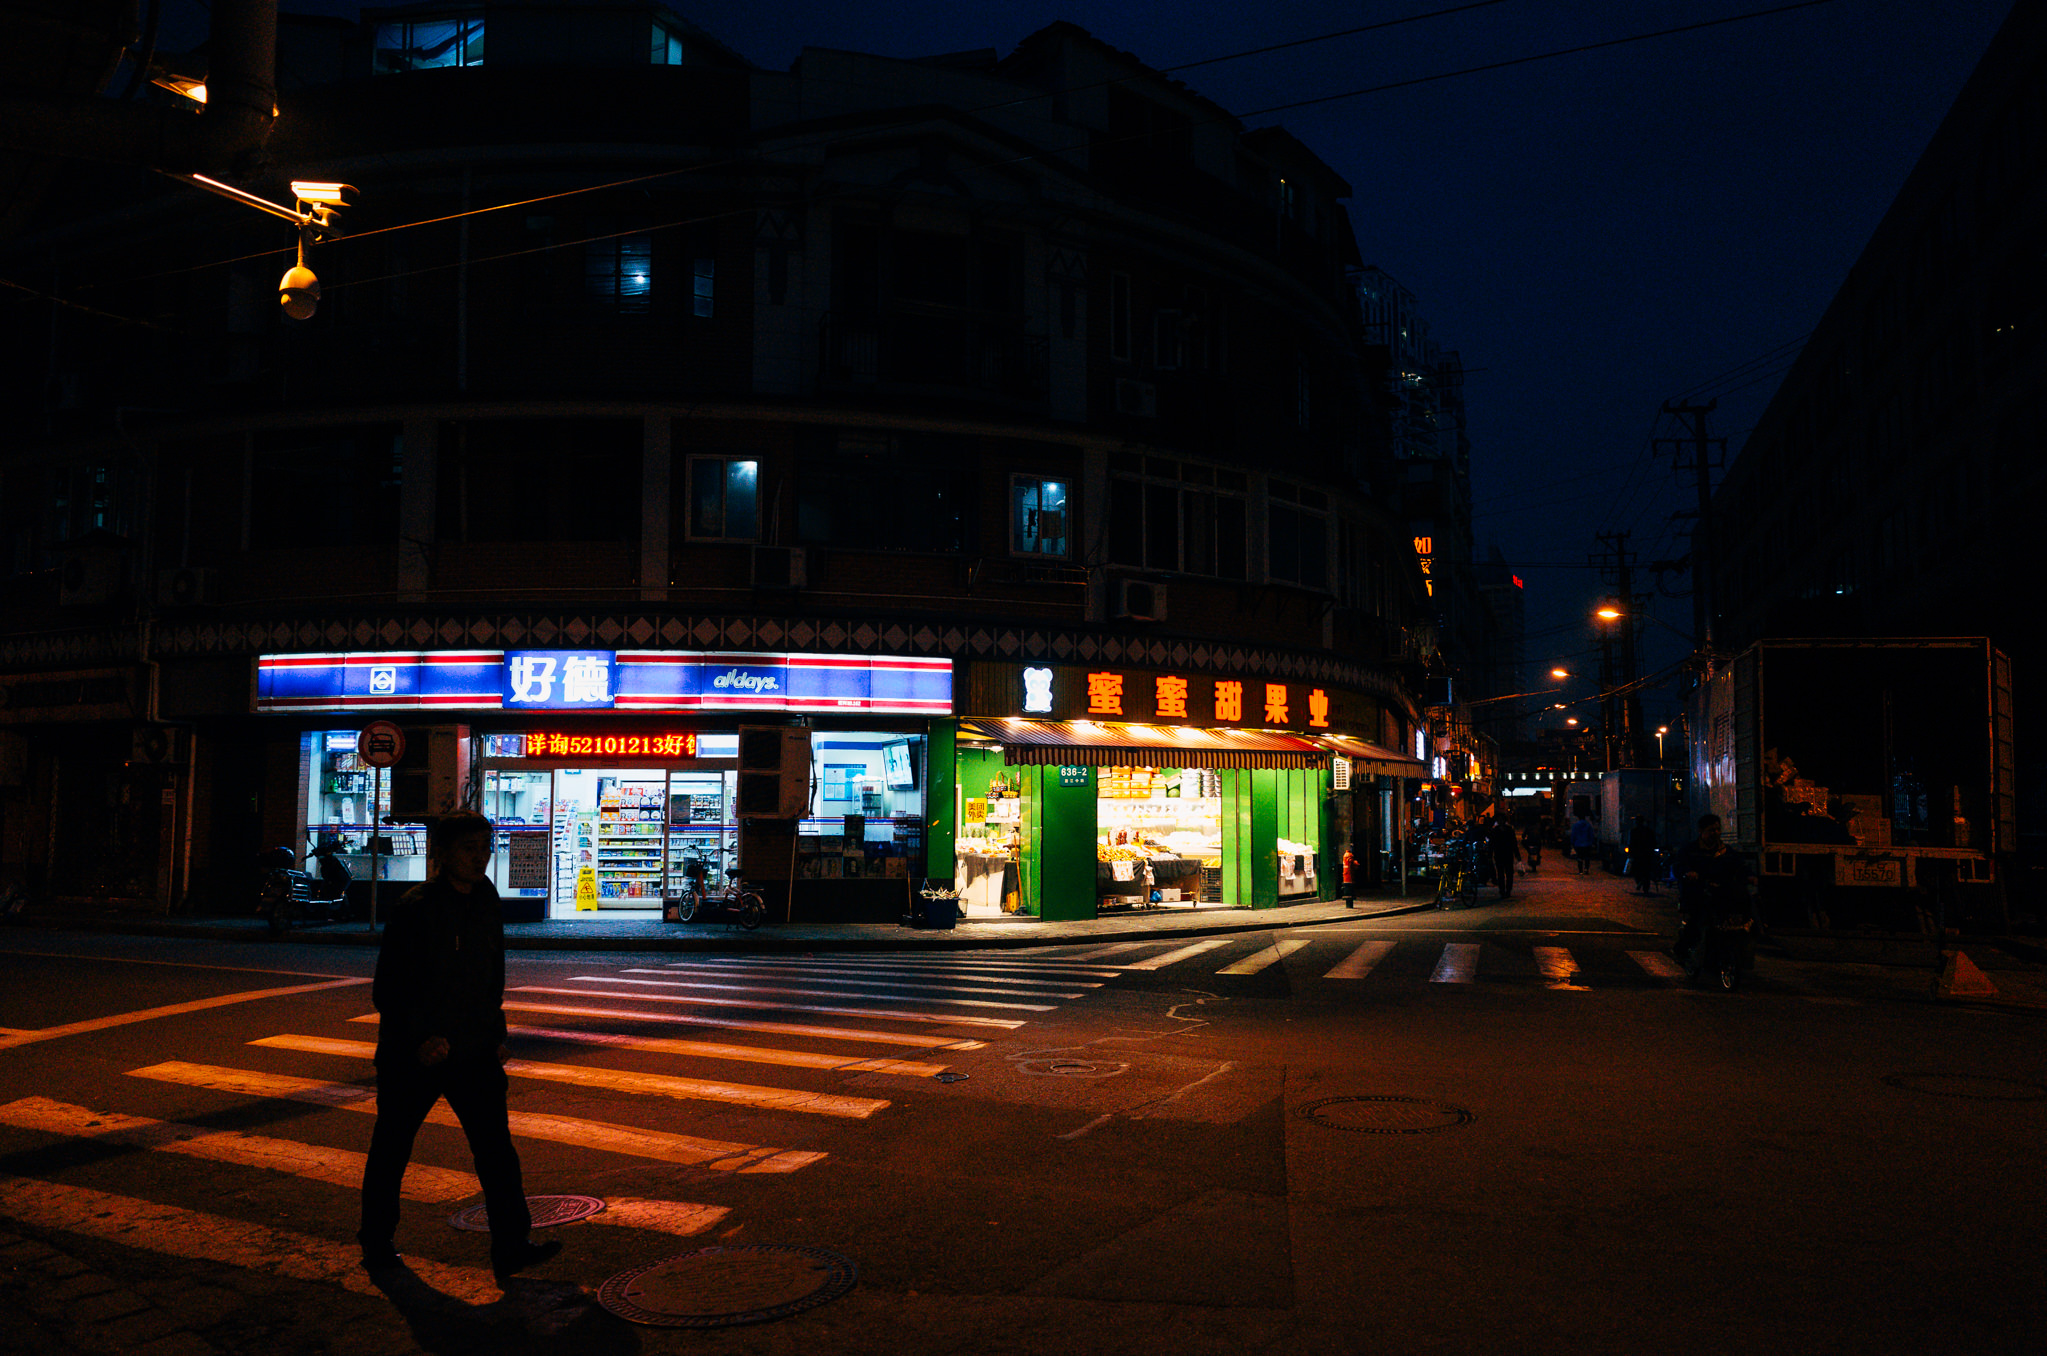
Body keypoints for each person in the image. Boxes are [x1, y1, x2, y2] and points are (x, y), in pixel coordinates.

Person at [357, 810, 561, 1282]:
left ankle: (511, 1244)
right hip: (418, 1055)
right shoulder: (416, 907)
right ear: (443, 854)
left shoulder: (487, 899)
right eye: (470, 848)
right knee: (392, 1148)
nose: (481, 856)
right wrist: (420, 1039)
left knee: (496, 1152)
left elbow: (492, 975)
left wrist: (497, 1034)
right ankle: (376, 1242)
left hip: (473, 1050)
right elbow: (389, 988)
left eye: (486, 846)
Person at [1670, 813, 1754, 966]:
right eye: (1711, 830)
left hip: (1721, 892)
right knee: (1698, 918)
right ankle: (1681, 950)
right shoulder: (1689, 850)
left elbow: (1741, 867)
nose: (1715, 833)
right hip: (1697, 892)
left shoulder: (1727, 852)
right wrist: (1688, 873)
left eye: (1717, 829)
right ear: (1701, 831)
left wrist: (1750, 876)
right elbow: (1679, 866)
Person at [1484, 815, 1522, 899]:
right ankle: (1502, 890)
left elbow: (1514, 843)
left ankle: (1508, 890)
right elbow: (1491, 844)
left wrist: (1517, 855)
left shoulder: (1509, 830)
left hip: (1508, 854)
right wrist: (1490, 855)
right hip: (1499, 855)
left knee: (1509, 874)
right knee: (1501, 874)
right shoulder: (1495, 831)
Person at [1626, 816, 1659, 895]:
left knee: (1637, 870)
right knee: (1646, 871)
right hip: (1647, 855)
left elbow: (1631, 843)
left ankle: (1640, 882)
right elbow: (1654, 843)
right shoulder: (1649, 831)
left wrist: (1631, 853)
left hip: (1638, 855)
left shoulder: (1634, 831)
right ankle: (1645, 886)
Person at [1341, 840, 1359, 908]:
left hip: (1347, 877)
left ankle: (1349, 902)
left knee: (1348, 887)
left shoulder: (1347, 857)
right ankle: (1349, 902)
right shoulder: (1348, 856)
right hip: (1348, 877)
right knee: (1348, 888)